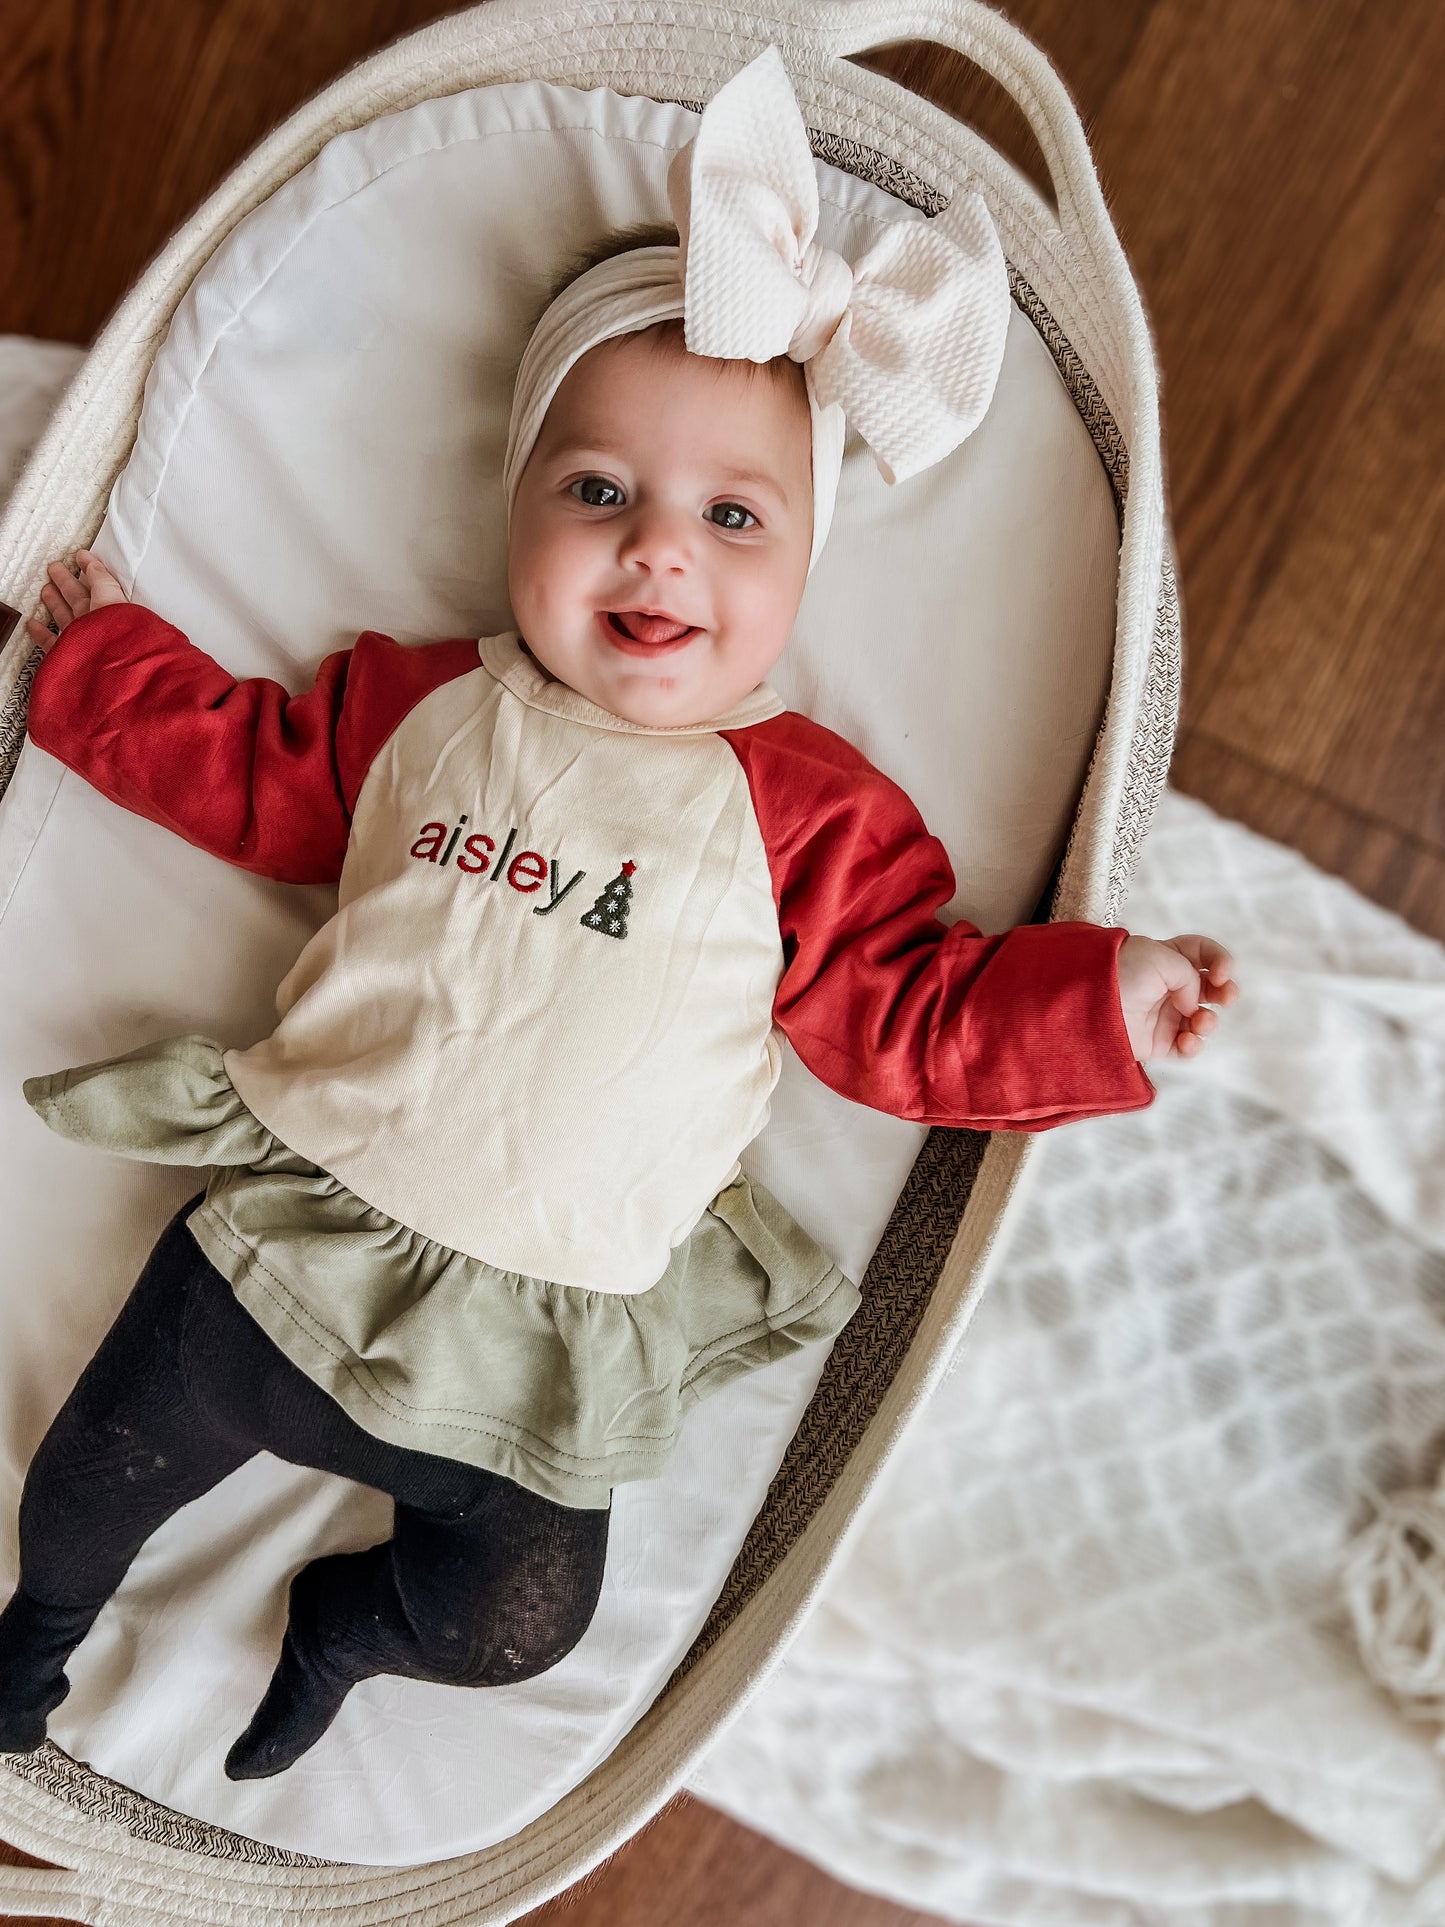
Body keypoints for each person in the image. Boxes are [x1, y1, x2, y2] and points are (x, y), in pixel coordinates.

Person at [0, 49, 1235, 1780]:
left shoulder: (807, 812)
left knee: (520, 1626)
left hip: (543, 1347)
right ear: (511, 511)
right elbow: (245, 771)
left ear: (797, 575)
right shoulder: (428, 711)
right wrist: (105, 658)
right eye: (596, 494)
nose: (658, 553)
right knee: (88, 1481)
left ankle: (353, 1631)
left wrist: (1105, 1000)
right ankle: (36, 1644)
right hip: (296, 1247)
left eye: (732, 518)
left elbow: (907, 1012)